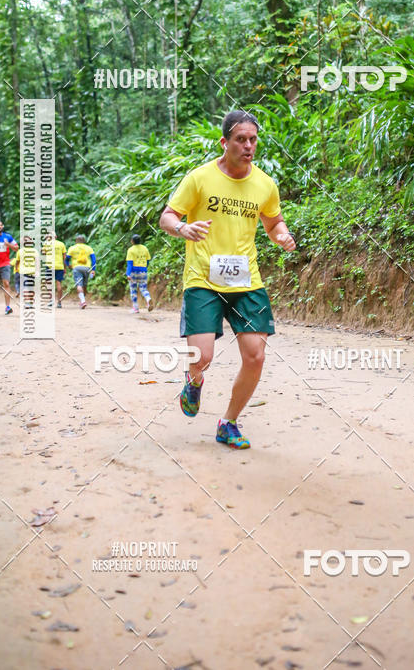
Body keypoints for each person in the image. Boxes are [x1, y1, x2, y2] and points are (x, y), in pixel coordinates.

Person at [159, 109, 296, 450]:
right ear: (224, 142)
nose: (248, 146)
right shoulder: (200, 179)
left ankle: (228, 422)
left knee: (255, 356)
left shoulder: (265, 184)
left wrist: (281, 235)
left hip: (246, 281)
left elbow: (272, 222)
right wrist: (182, 228)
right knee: (202, 356)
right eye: (240, 139)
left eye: (253, 139)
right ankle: (194, 380)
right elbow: (167, 216)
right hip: (203, 278)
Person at [66, 234, 96, 309]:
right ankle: (83, 300)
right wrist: (93, 269)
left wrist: (68, 265)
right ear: (84, 241)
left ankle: (83, 301)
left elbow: (67, 259)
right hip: (87, 268)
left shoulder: (72, 248)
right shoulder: (89, 248)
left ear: (76, 241)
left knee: (79, 284)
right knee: (84, 285)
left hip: (77, 268)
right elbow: (93, 259)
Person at [126, 234, 153, 313]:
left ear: (132, 241)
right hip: (143, 271)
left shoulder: (131, 250)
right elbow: (148, 260)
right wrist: (145, 268)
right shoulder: (145, 248)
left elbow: (130, 264)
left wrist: (128, 274)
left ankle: (135, 308)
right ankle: (148, 299)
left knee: (133, 289)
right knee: (143, 288)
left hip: (133, 272)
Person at [43, 231, 67, 308]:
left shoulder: (46, 243)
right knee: (59, 283)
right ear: (56, 236)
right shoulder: (61, 244)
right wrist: (65, 267)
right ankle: (59, 302)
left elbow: (43, 253)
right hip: (59, 266)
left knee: (48, 283)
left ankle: (50, 300)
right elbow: (64, 257)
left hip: (50, 266)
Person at [14, 237, 39, 306]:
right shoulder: (35, 251)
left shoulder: (20, 251)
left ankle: (27, 303)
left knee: (25, 287)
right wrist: (37, 271)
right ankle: (30, 302)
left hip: (23, 272)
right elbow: (37, 263)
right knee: (31, 287)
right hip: (33, 272)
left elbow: (17, 262)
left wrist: (16, 269)